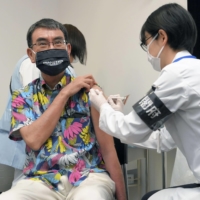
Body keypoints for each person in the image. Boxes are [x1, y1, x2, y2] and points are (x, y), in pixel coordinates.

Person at [0, 18, 126, 200]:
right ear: (31, 54)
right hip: (41, 180)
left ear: (67, 49)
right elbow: (34, 141)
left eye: (57, 42)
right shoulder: (22, 97)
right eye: (42, 44)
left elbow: (108, 150)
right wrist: (64, 93)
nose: (51, 48)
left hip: (88, 176)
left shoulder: (91, 92)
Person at [89, 3, 200, 199]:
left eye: (146, 42)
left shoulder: (176, 75)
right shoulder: (193, 70)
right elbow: (165, 139)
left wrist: (102, 105)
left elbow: (130, 130)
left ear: (162, 37)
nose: (147, 51)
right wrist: (119, 117)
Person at [0, 23, 88, 188]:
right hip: (27, 144)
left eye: (58, 44)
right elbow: (38, 109)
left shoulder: (66, 71)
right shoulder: (32, 66)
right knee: (24, 186)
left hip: (59, 159)